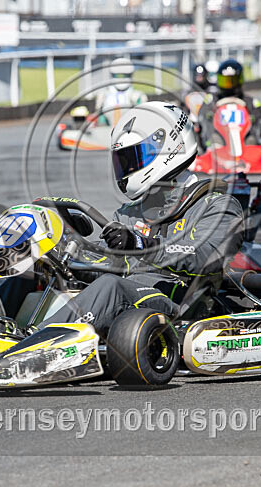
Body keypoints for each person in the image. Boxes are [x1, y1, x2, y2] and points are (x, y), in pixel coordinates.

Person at [34, 101, 244, 336]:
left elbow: (207, 257)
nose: (127, 168)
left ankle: (36, 341)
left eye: (134, 158)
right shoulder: (131, 213)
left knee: (111, 287)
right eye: (123, 161)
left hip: (185, 306)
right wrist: (69, 254)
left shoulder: (216, 205)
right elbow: (113, 265)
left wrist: (143, 245)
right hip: (135, 299)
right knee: (35, 275)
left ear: (168, 147)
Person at [198, 58, 261, 147]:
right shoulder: (211, 100)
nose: (229, 85)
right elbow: (201, 119)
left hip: (244, 143)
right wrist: (211, 115)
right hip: (219, 141)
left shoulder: (251, 102)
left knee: (252, 141)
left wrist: (252, 119)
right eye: (226, 81)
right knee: (214, 140)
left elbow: (260, 125)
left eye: (232, 81)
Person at [94, 58, 147, 126]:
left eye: (125, 75)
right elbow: (100, 120)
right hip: (107, 130)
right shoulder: (103, 95)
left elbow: (141, 118)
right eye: (118, 75)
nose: (121, 79)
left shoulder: (137, 96)